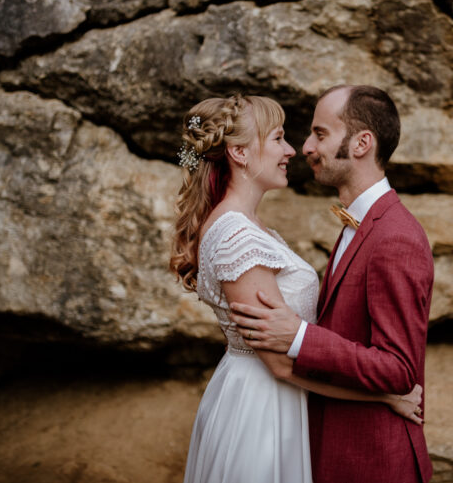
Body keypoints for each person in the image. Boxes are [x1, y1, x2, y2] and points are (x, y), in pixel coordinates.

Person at [169, 94, 424, 483]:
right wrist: (385, 396)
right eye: (278, 138)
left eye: (316, 134)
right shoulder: (236, 234)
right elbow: (278, 362)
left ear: (362, 143)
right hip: (261, 412)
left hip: (278, 404)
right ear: (238, 152)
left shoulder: (253, 228)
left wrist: (299, 337)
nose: (295, 149)